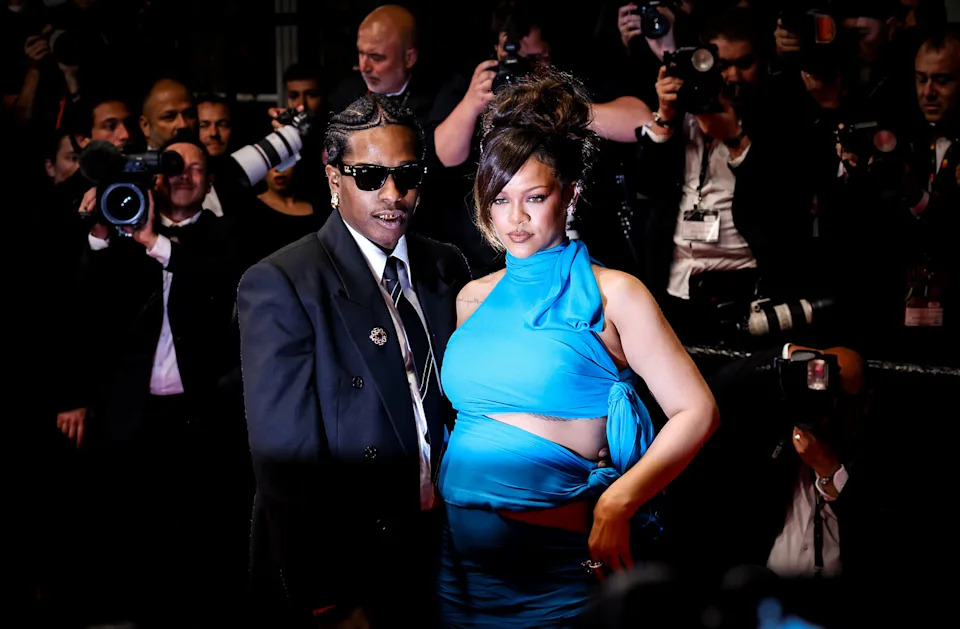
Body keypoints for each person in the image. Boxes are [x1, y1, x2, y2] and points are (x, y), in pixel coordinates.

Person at [436, 70, 719, 626]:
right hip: (460, 575)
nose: (515, 219)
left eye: (534, 198)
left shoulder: (615, 294)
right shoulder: (471, 299)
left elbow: (698, 411)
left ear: (570, 195)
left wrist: (621, 499)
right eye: (501, 200)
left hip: (559, 574)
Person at [238, 93, 471, 628]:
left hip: (442, 548)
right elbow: (285, 464)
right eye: (369, 176)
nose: (393, 195)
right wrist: (327, 599)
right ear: (332, 177)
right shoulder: (282, 284)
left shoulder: (444, 266)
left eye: (407, 175)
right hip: (347, 563)